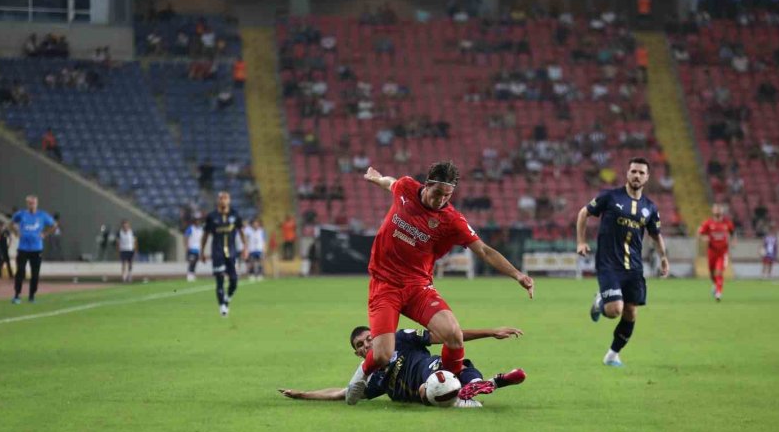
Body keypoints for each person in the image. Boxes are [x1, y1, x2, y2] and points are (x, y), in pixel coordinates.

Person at [344, 162, 534, 405]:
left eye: (448, 195)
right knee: (381, 355)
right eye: (437, 193)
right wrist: (377, 178)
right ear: (427, 185)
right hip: (385, 285)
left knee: (453, 335)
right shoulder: (405, 188)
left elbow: (484, 251)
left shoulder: (451, 220)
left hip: (417, 287)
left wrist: (517, 274)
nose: (441, 200)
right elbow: (390, 183)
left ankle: (456, 391)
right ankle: (360, 376)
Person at [280, 325, 527, 408]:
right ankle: (486, 385)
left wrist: (491, 332)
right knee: (426, 390)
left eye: (369, 338)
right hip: (425, 394)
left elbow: (447, 335)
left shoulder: (401, 337)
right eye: (361, 345)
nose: (368, 344)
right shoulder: (373, 380)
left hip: (432, 370)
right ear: (358, 354)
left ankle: (474, 387)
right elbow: (342, 393)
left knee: (446, 368)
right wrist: (303, 394)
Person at [576, 158, 669, 367]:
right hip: (609, 264)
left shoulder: (650, 208)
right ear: (627, 173)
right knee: (614, 310)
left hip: (634, 268)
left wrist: (663, 258)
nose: (637, 175)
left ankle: (612, 355)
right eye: (633, 171)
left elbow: (656, 235)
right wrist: (581, 241)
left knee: (630, 312)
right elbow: (584, 213)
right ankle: (600, 301)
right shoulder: (610, 197)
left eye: (641, 173)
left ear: (647, 177)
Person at [201, 192, 248, 316]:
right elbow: (205, 235)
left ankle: (227, 298)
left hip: (232, 253)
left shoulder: (235, 215)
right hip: (217, 253)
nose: (223, 200)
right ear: (218, 200)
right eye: (221, 198)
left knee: (234, 281)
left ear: (229, 200)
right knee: (220, 279)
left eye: (225, 198)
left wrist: (245, 248)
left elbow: (242, 232)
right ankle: (222, 306)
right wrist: (202, 251)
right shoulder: (212, 216)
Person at [10, 195, 57, 304]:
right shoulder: (21, 214)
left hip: (36, 249)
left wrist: (45, 234)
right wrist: (16, 232)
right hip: (23, 248)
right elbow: (11, 224)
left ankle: (32, 296)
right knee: (20, 271)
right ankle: (17, 295)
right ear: (27, 204)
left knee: (35, 273)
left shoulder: (42, 215)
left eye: (34, 203)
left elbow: (54, 225)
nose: (32, 205)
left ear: (37, 203)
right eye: (30, 203)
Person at [698, 204, 735, 301]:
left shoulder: (727, 223)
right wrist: (704, 238)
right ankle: (715, 284)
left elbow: (733, 233)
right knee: (711, 273)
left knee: (718, 272)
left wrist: (734, 241)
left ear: (722, 211)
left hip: (722, 252)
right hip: (711, 252)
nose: (718, 211)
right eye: (716, 209)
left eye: (719, 209)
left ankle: (719, 292)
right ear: (713, 211)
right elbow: (700, 233)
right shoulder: (708, 223)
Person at [184, 217, 204, 281]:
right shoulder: (191, 228)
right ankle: (189, 274)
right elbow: (186, 236)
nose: (198, 222)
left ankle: (192, 274)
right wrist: (187, 246)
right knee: (191, 262)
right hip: (191, 248)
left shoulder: (201, 229)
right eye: (197, 221)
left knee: (195, 262)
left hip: (198, 248)